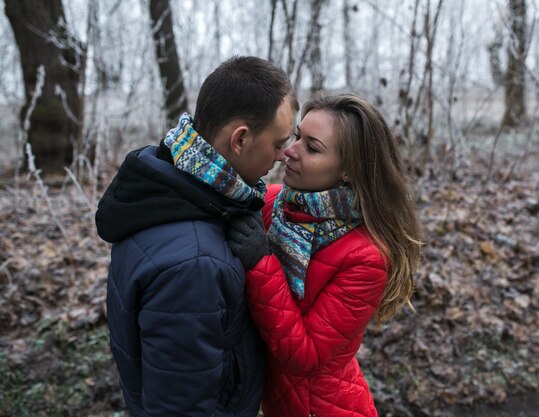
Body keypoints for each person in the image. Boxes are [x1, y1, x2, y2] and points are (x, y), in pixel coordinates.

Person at [95, 56, 298, 417]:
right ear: (240, 139)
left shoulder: (169, 186)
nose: (284, 155)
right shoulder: (195, 264)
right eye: (278, 143)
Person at [227, 93, 422, 417]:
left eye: (312, 147)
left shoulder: (367, 258)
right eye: (297, 136)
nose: (290, 151)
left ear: (349, 170)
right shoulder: (274, 203)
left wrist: (262, 265)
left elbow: (305, 356)